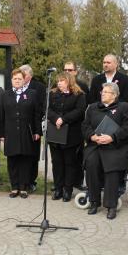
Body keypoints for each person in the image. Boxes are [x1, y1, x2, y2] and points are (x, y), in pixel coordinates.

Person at [82, 82, 128, 219]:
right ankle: (94, 202)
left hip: (116, 146)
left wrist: (112, 137)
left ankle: (111, 206)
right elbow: (85, 126)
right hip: (96, 145)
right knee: (91, 164)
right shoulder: (93, 108)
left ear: (115, 95)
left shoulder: (124, 107)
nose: (102, 94)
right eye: (102, 92)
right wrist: (92, 136)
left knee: (111, 167)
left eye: (106, 92)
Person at [0, 69, 42, 198]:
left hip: (26, 132)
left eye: (19, 79)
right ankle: (14, 187)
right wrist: (1, 134)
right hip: (10, 132)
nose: (17, 81)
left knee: (25, 160)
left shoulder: (32, 94)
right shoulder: (5, 95)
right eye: (14, 79)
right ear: (11, 80)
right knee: (12, 160)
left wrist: (37, 131)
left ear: (24, 80)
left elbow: (37, 114)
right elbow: (1, 115)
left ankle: (24, 187)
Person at [48, 72, 87, 202]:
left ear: (69, 82)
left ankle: (67, 189)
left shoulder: (78, 95)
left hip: (71, 134)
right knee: (57, 162)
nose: (59, 83)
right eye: (58, 81)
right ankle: (58, 188)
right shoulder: (52, 94)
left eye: (62, 81)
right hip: (55, 132)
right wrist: (56, 119)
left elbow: (80, 111)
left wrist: (64, 119)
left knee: (69, 162)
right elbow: (47, 109)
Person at [20, 64, 46, 193]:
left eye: (23, 75)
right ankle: (19, 181)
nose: (20, 77)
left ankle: (31, 181)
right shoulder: (16, 85)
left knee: (32, 154)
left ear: (29, 75)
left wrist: (37, 128)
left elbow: (41, 106)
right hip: (18, 126)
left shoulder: (39, 87)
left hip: (33, 125)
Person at [63, 61, 89, 189]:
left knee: (78, 156)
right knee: (63, 157)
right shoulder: (58, 85)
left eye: (70, 70)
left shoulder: (82, 85)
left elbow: (85, 107)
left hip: (77, 126)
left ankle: (78, 182)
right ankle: (62, 182)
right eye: (65, 70)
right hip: (61, 126)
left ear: (75, 71)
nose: (67, 72)